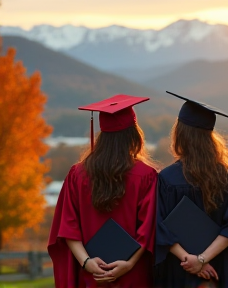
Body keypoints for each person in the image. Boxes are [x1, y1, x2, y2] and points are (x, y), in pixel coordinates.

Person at [154, 91, 228, 288]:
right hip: (224, 269)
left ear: (179, 134)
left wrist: (191, 259)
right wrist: (202, 259)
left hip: (181, 269)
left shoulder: (166, 179)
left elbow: (159, 228)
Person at [48, 94, 158, 288]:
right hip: (132, 277)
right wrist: (129, 263)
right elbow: (147, 229)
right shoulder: (146, 176)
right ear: (134, 135)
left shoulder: (77, 174)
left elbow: (68, 227)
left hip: (91, 278)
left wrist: (87, 262)